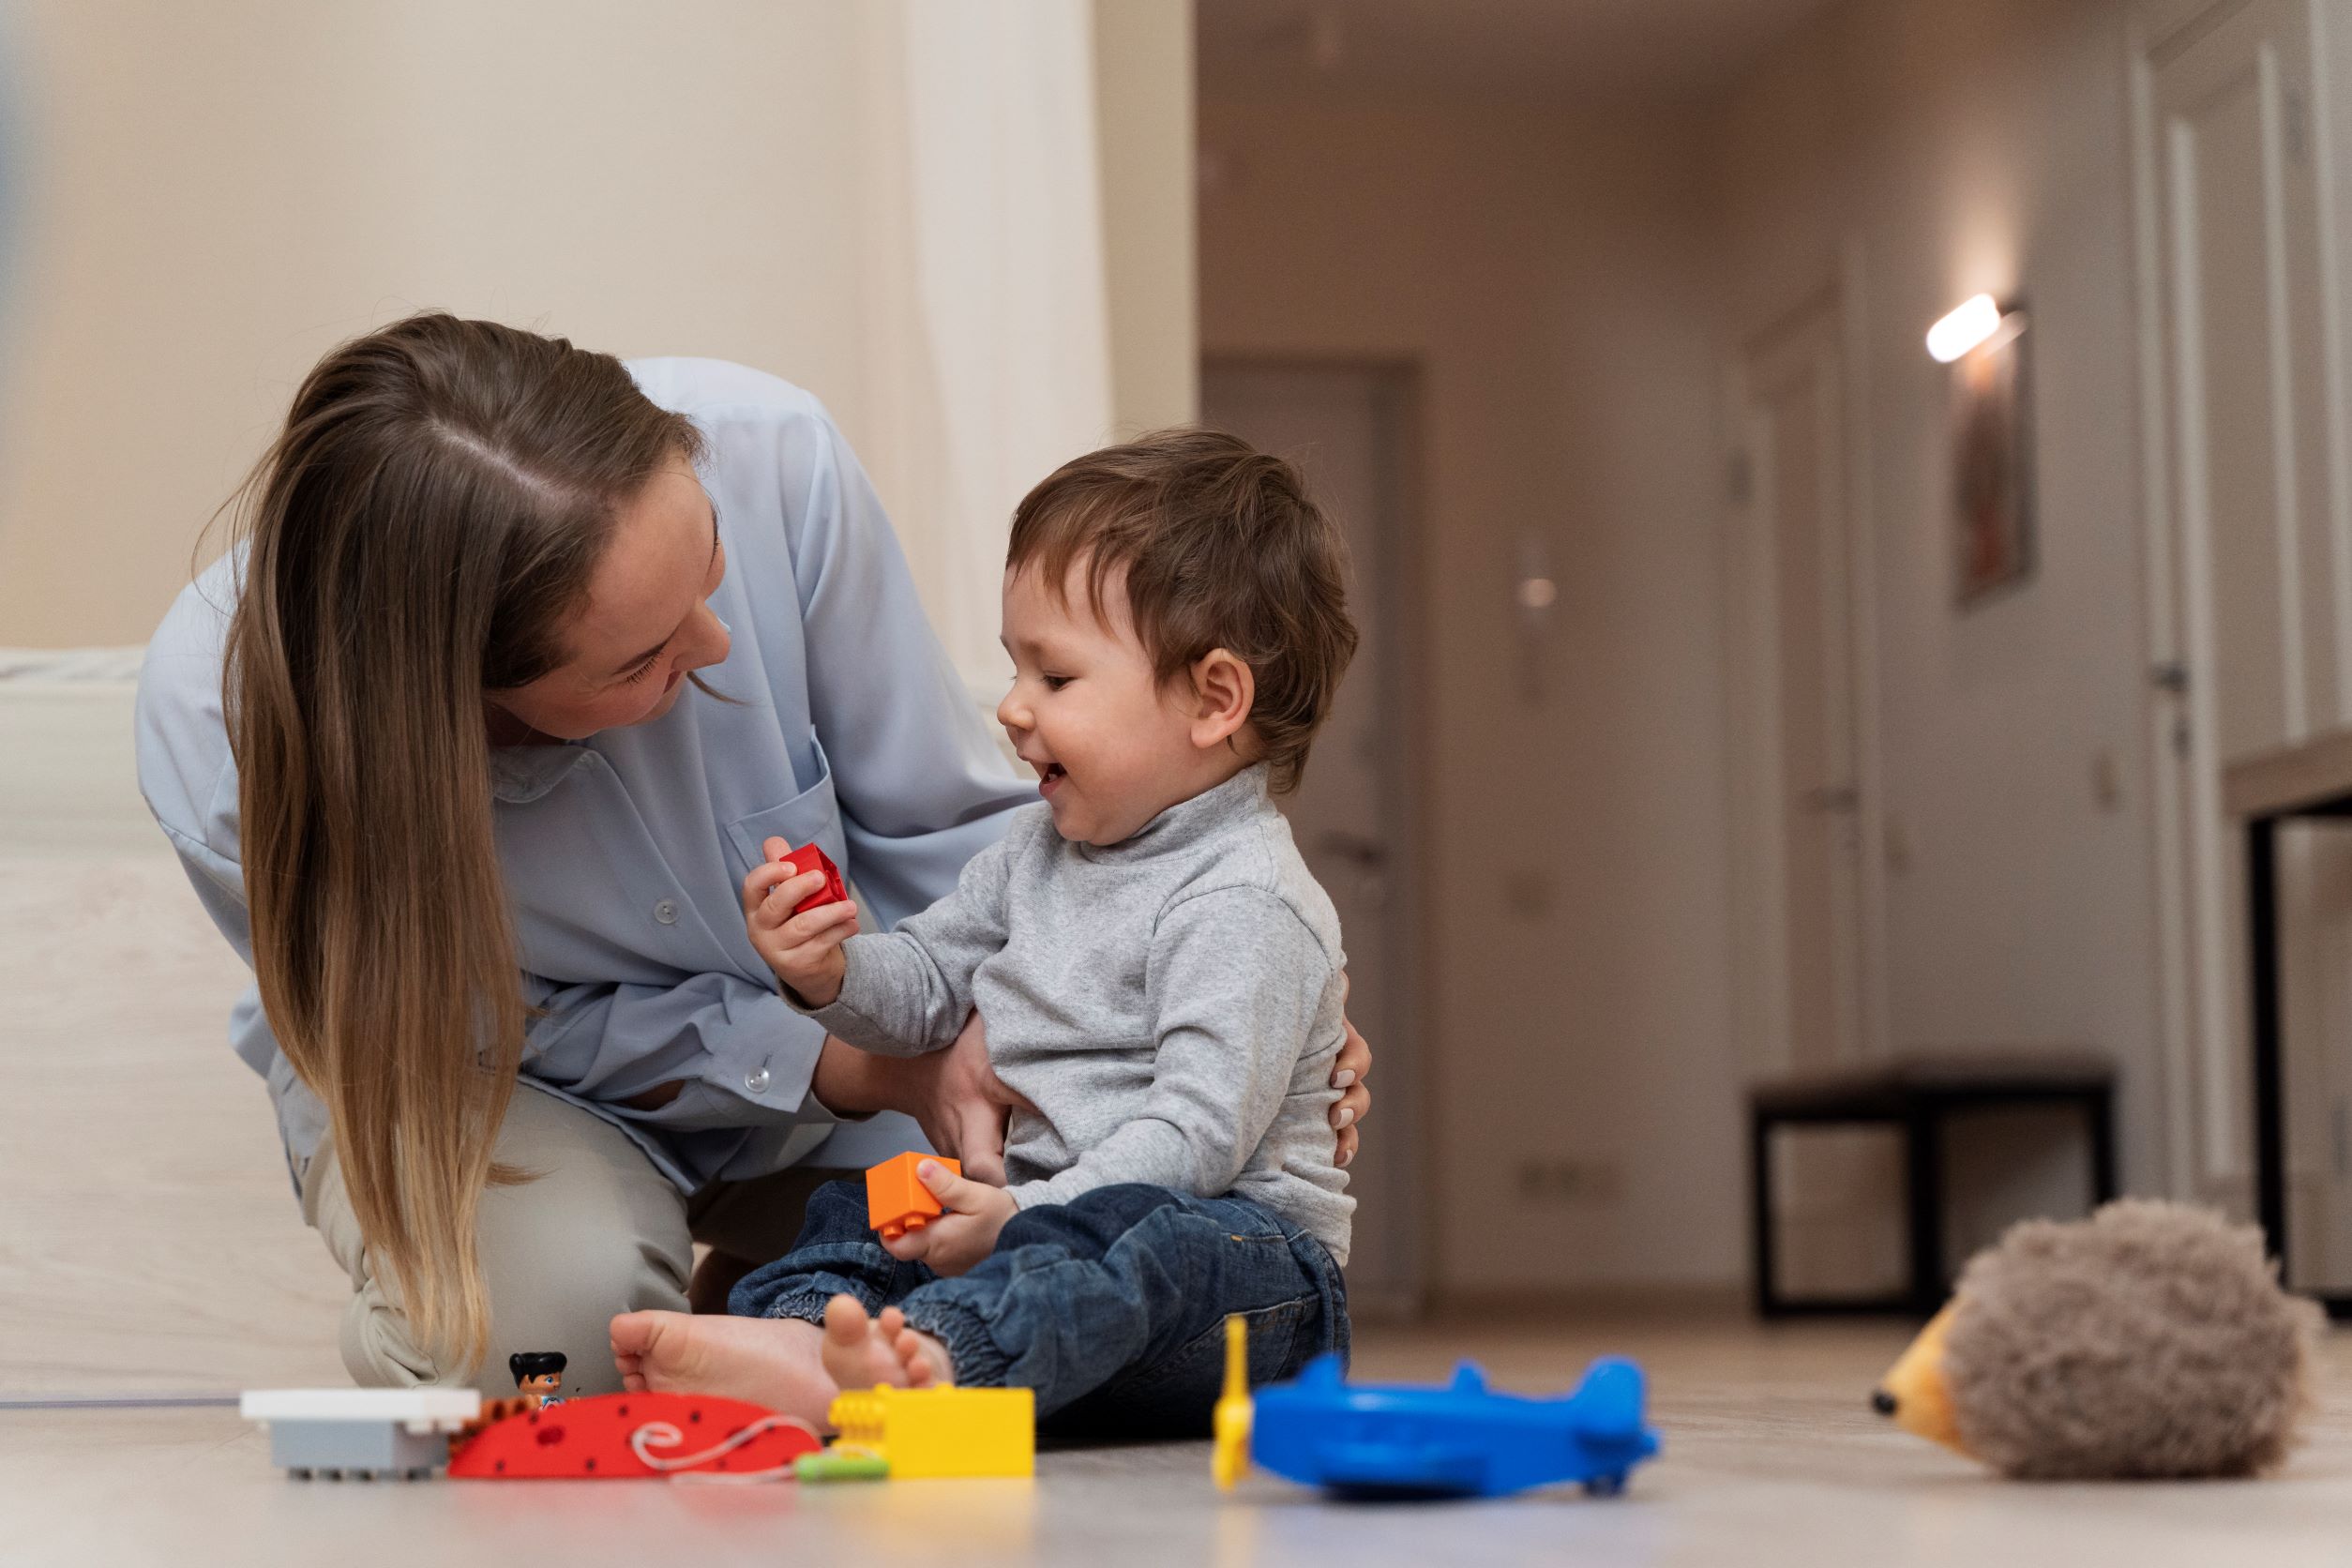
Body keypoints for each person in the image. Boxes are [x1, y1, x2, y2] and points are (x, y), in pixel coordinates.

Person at [133, 313, 1374, 1396]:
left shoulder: (771, 455)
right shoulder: (222, 735)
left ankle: (780, 1319)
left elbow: (963, 844)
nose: (721, 644)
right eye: (641, 660)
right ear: (471, 701)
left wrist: (1174, 1018)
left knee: (996, 1242)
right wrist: (840, 1055)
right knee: (550, 1349)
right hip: (488, 1071)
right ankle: (763, 1323)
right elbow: (455, 1026)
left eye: (712, 577)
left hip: (926, 1087)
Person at [608, 430, 1356, 1436]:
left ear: (1215, 699)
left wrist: (1026, 1221)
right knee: (863, 1206)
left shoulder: (1245, 898)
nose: (1010, 708)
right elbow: (922, 985)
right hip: (1042, 1223)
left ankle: (937, 1364)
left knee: (1147, 1249)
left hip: (1249, 1276)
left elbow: (1195, 1137)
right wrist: (829, 971)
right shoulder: (1036, 849)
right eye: (1015, 670)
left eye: (1055, 678)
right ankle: (804, 1337)